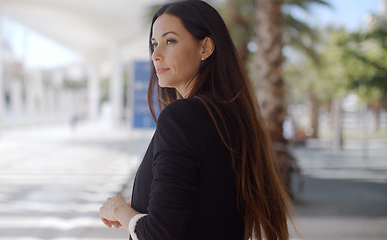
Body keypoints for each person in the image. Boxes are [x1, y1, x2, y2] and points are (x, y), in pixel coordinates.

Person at [99, 1, 296, 239]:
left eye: (170, 41)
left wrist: (120, 211)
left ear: (205, 47)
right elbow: (207, 204)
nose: (156, 55)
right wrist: (141, 206)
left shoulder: (182, 116)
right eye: (154, 44)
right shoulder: (231, 115)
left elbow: (161, 234)